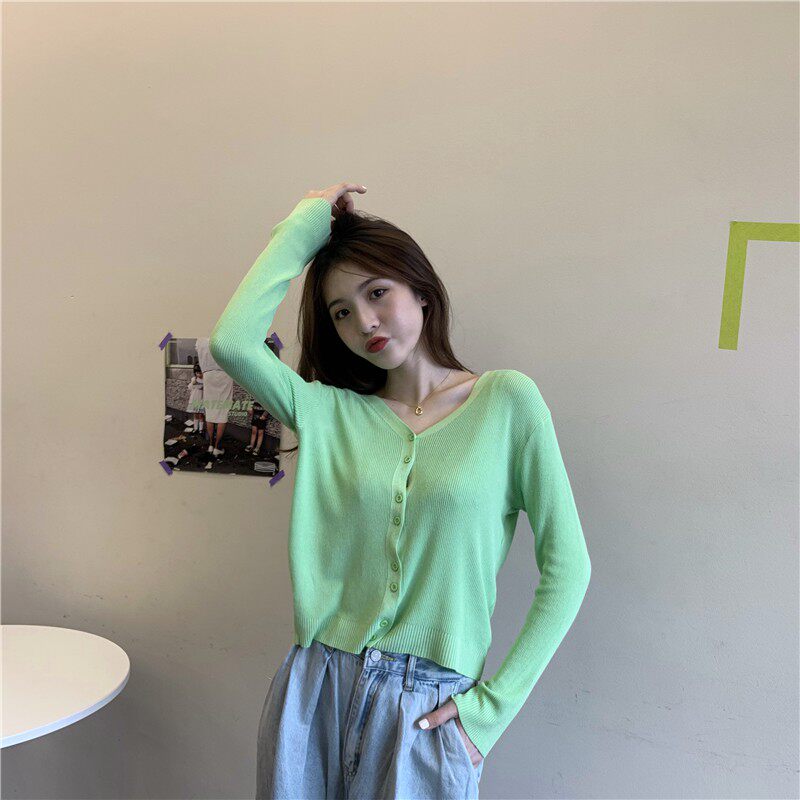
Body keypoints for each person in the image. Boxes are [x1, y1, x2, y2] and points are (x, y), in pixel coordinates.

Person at [209, 182, 592, 800]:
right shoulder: (328, 411)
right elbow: (231, 341)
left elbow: (569, 567)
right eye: (340, 311)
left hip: (429, 710)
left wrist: (489, 715)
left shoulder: (506, 403)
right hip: (317, 689)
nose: (364, 321)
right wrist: (308, 223)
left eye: (377, 292)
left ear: (421, 290)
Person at [185, 364, 205, 434]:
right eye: (197, 373)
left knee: (201, 415)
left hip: (201, 400)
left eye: (200, 373)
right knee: (195, 414)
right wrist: (192, 383)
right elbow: (189, 388)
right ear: (195, 373)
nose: (199, 374)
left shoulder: (204, 380)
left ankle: (201, 429)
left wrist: (202, 387)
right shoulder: (194, 379)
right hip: (194, 399)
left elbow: (205, 389)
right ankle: (195, 428)